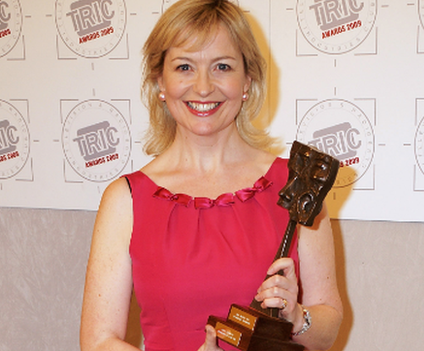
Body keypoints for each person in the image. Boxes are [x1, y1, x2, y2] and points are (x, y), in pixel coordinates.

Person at [79, 0, 343, 350]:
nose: (203, 88)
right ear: (160, 81)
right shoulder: (125, 200)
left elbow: (328, 329)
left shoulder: (296, 185)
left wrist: (296, 317)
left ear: (247, 81)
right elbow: (98, 342)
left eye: (222, 67)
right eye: (185, 67)